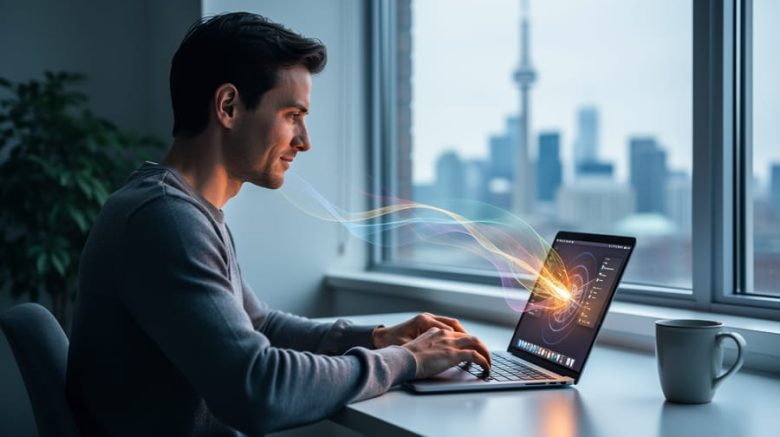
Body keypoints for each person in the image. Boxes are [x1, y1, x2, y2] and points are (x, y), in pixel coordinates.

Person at [66, 12, 491, 436]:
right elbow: (258, 389)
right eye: (292, 115)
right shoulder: (165, 219)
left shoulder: (181, 209)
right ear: (228, 106)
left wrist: (379, 338)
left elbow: (260, 325)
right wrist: (407, 361)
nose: (305, 141)